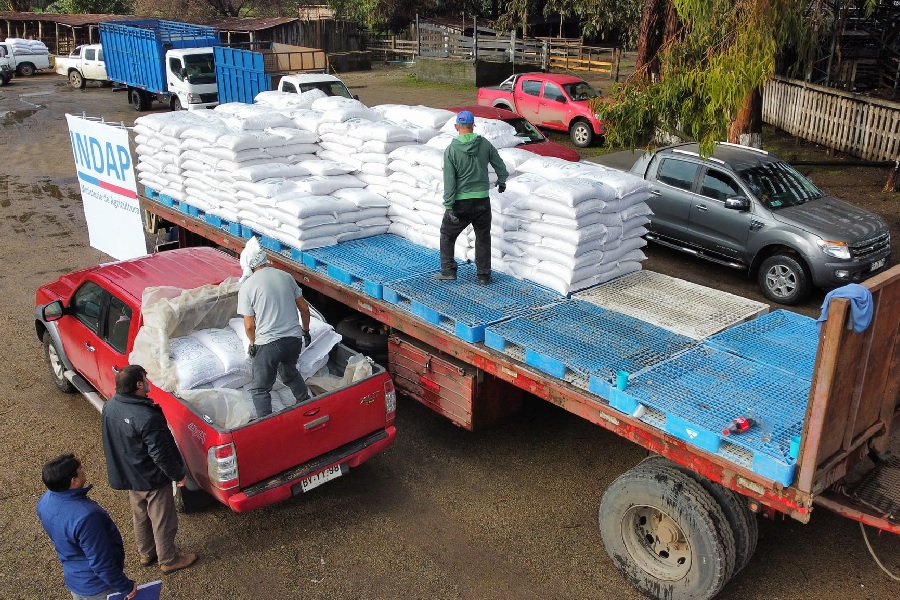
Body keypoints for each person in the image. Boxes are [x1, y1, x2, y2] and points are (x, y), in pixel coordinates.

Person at [101, 365, 198, 575]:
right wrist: (178, 474)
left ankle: (146, 553)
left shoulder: (110, 406)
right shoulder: (146, 416)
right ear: (138, 384)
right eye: (145, 378)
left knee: (140, 516)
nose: (148, 382)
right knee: (163, 519)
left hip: (129, 473)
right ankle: (169, 559)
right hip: (151, 477)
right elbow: (160, 454)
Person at [36, 453, 138, 600]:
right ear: (74, 481)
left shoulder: (44, 502)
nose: (83, 469)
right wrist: (124, 586)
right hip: (99, 587)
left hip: (75, 579)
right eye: (80, 469)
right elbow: (101, 561)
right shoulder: (86, 516)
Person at [238, 246, 313, 418]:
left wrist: (252, 343)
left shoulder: (247, 286)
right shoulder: (286, 276)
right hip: (294, 340)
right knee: (289, 373)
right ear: (265, 260)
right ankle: (307, 406)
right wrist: (306, 331)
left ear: (248, 266)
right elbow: (304, 309)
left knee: (260, 388)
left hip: (269, 344)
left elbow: (249, 326)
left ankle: (266, 424)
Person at [437, 110, 509, 285]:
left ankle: (448, 271)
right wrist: (502, 180)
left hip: (460, 203)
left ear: (456, 127)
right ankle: (484, 275)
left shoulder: (451, 150)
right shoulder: (484, 144)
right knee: (483, 237)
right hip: (482, 201)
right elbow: (500, 165)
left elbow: (450, 180)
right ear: (473, 126)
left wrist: (449, 205)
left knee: (447, 234)